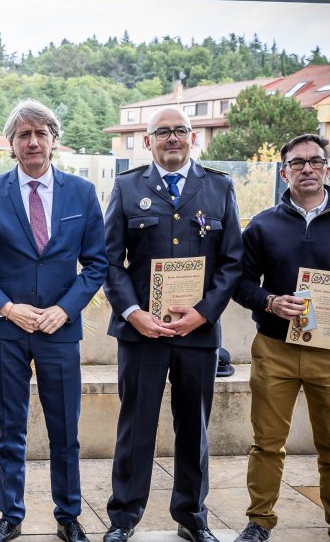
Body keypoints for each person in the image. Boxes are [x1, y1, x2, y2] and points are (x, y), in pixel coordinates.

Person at [230, 134, 330, 542]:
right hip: (274, 351)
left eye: (314, 161)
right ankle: (259, 522)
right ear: (283, 171)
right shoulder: (263, 224)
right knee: (266, 444)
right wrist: (268, 301)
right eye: (297, 162)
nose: (306, 168)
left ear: (327, 169)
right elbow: (240, 284)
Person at [0, 99, 108, 542]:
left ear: (54, 141)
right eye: (23, 134)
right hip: (6, 331)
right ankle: (11, 516)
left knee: (65, 430)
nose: (33, 141)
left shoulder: (81, 194)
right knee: (11, 430)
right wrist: (7, 308)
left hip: (59, 331)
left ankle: (68, 516)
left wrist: (65, 309)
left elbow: (97, 264)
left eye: (41, 133)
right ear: (10, 144)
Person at [101, 106, 242, 542]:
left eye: (180, 130)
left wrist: (203, 313)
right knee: (135, 427)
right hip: (142, 333)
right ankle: (123, 518)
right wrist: (133, 313)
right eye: (162, 132)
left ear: (193, 137)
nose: (172, 138)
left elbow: (233, 261)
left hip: (197, 334)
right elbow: (108, 261)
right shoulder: (126, 188)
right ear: (148, 141)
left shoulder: (218, 187)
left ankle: (192, 517)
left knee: (193, 429)